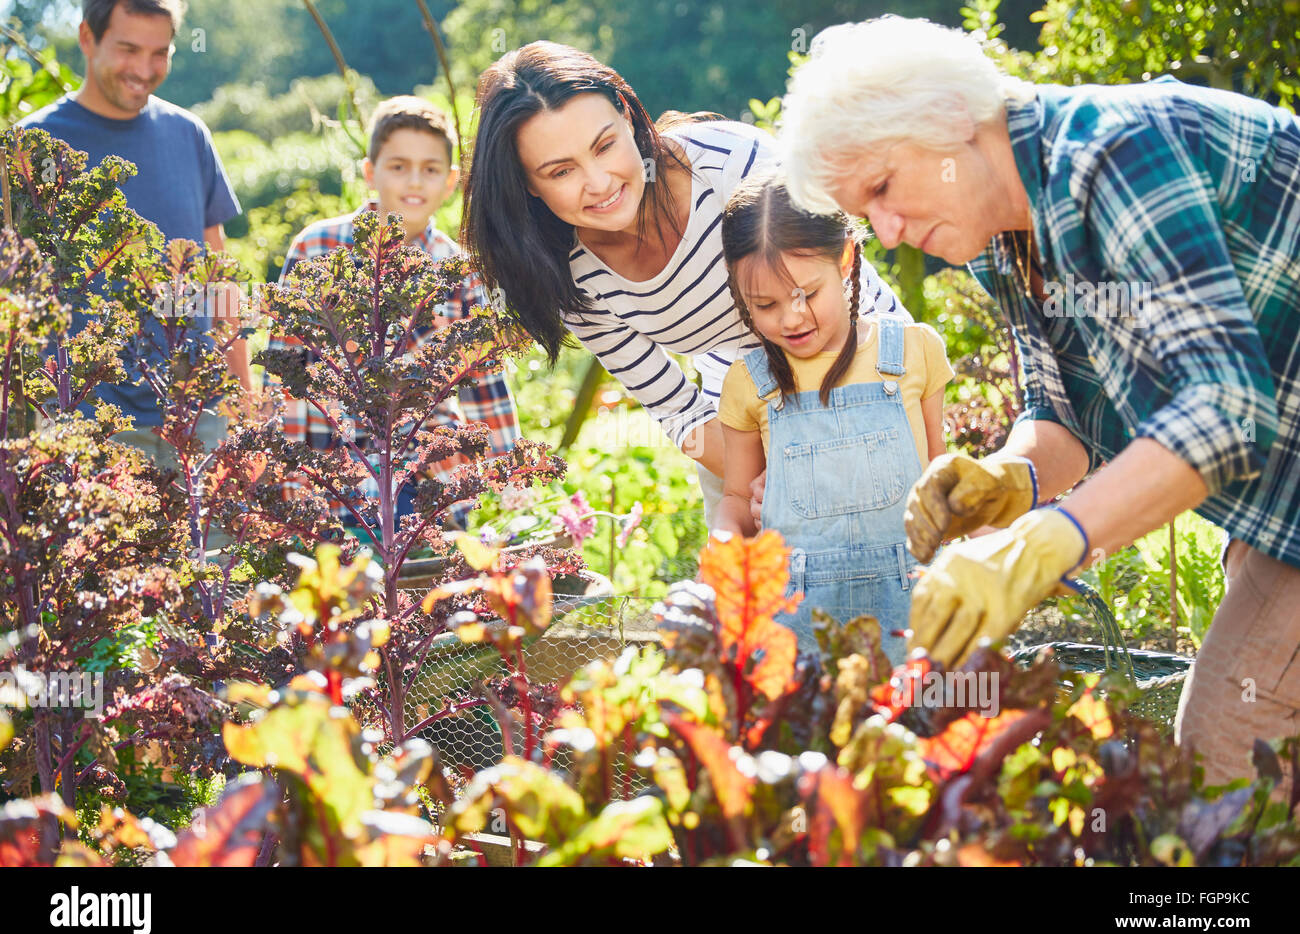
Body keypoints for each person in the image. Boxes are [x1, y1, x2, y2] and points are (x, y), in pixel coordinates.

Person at [779, 16, 1300, 791]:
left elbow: (1222, 407)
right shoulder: (1007, 229)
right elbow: (1068, 414)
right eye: (865, 211)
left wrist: (1037, 546)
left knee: (1231, 748)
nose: (885, 233)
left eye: (883, 188)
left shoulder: (1116, 154)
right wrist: (1011, 479)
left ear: (953, 120)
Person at [460, 41, 910, 526]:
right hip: (740, 413)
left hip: (864, 361)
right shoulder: (568, 274)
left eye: (605, 145)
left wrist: (835, 450)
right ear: (528, 184)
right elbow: (678, 409)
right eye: (561, 171)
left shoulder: (732, 165)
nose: (600, 182)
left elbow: (843, 293)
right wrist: (773, 480)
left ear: (627, 115)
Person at [713, 169, 952, 660]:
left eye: (807, 294)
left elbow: (938, 475)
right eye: (766, 305)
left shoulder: (913, 352)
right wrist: (721, 547)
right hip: (794, 629)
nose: (792, 317)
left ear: (845, 258)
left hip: (914, 613)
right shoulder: (749, 382)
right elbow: (738, 499)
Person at [262, 96, 520, 538]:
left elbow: (484, 386)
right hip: (332, 472)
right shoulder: (317, 248)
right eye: (398, 166)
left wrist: (508, 483)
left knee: (422, 594)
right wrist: (285, 474)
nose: (414, 182)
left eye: (430, 168)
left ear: (452, 181)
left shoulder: (459, 270)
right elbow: (286, 367)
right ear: (370, 172)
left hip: (423, 476)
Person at [18, 0, 247, 475]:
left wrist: (242, 408)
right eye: (128, 50)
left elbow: (220, 281)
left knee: (218, 552)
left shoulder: (190, 136)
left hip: (198, 422)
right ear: (87, 38)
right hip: (85, 429)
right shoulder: (32, 146)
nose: (144, 70)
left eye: (159, 52)